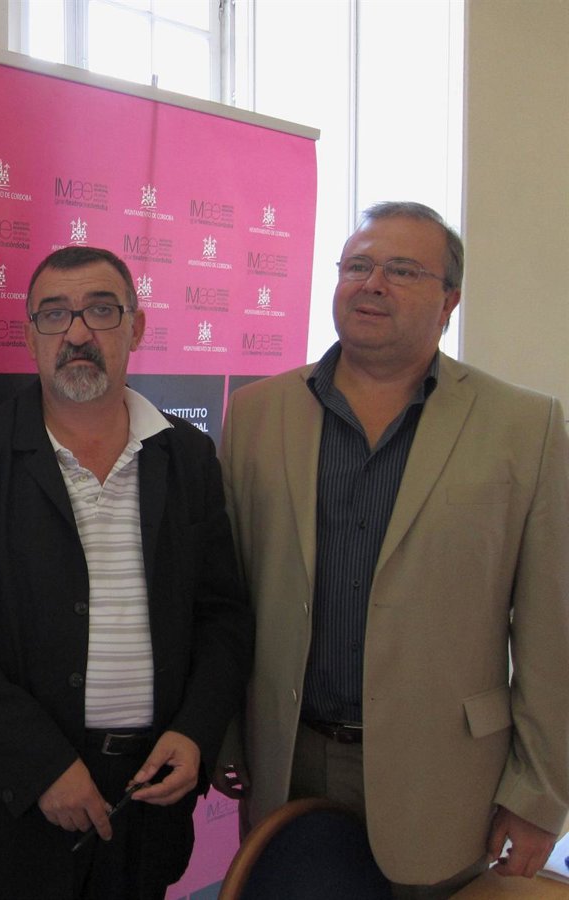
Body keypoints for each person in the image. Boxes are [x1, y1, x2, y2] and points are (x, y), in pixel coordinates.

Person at [218, 201, 569, 898]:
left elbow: (551, 631)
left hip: (446, 776)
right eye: (358, 266)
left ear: (449, 301)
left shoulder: (524, 427)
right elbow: (230, 592)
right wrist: (228, 738)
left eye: (402, 270)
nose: (372, 284)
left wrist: (539, 795)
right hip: (290, 758)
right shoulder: (258, 414)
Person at [0, 246, 253, 900]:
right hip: (12, 808)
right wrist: (40, 766)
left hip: (147, 800)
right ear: (31, 335)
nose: (78, 332)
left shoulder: (187, 457)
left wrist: (195, 731)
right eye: (55, 314)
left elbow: (222, 615)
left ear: (136, 328)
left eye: (101, 310)